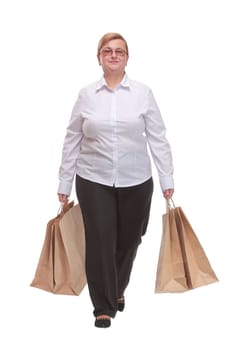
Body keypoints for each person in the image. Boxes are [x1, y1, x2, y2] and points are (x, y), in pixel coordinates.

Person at [57, 32, 174, 328]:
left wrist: (166, 177)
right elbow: (72, 137)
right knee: (100, 240)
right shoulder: (86, 95)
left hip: (136, 179)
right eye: (107, 50)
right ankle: (103, 306)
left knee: (130, 239)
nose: (113, 55)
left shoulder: (143, 93)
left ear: (126, 58)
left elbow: (158, 137)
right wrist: (64, 181)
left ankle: (117, 287)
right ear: (98, 57)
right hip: (93, 178)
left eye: (119, 51)